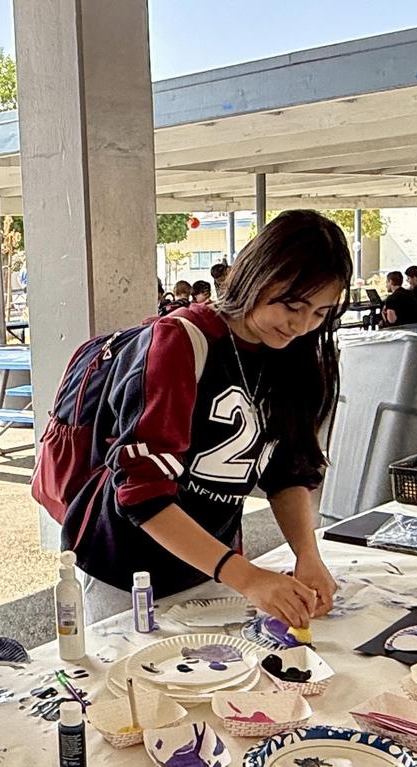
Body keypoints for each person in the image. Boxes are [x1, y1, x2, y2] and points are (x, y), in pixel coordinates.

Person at [59, 210, 352, 630]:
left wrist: (307, 556)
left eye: (320, 314)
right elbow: (143, 494)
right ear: (257, 276)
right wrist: (247, 578)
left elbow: (289, 471)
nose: (302, 325)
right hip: (128, 572)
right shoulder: (182, 342)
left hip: (212, 566)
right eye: (293, 305)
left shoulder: (296, 357)